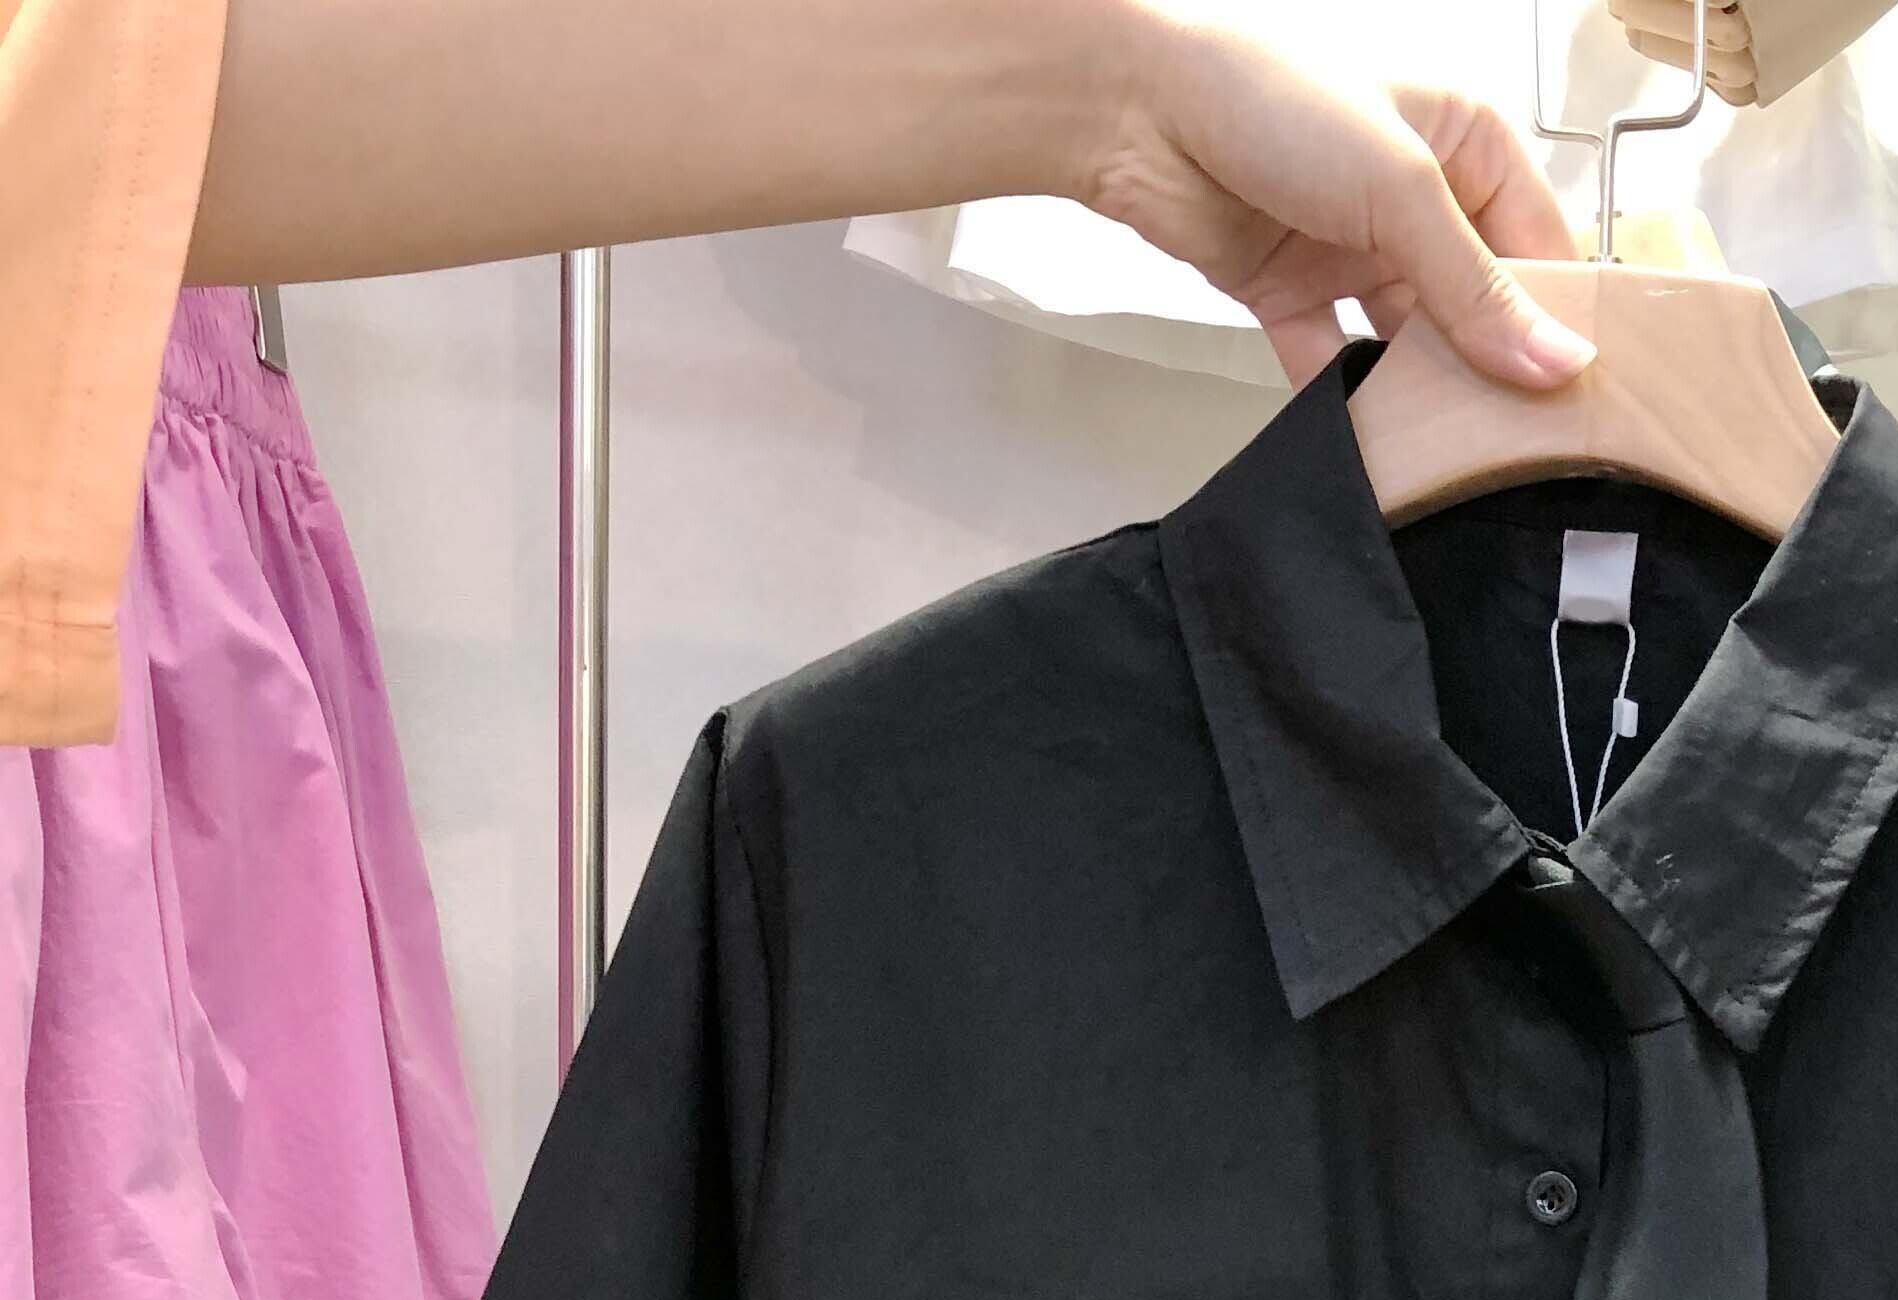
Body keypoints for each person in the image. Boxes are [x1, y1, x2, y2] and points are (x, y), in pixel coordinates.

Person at [1, 0, 1586, 747]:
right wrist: (1117, 99)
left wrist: (1123, 98)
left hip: (130, 492)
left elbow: (132, 95)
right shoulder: (840, 805)